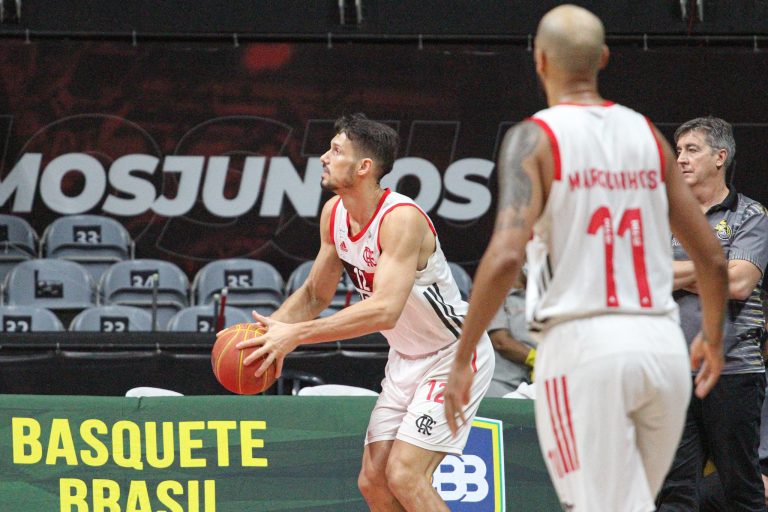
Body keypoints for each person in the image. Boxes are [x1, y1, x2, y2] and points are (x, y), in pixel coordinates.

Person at [442, 4, 729, 511]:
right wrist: (710, 336)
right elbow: (712, 259)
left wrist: (463, 357)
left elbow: (506, 257)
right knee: (633, 504)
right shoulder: (647, 135)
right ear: (603, 58)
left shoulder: (534, 138)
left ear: (539, 60)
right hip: (661, 347)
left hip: (583, 345)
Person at [229, 113, 494, 511]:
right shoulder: (334, 214)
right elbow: (314, 295)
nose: (323, 157)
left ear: (364, 166)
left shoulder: (400, 219)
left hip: (453, 355)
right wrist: (267, 337)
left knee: (405, 474)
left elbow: (385, 310)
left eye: (336, 151)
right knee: (374, 482)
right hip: (406, 359)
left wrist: (296, 335)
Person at [656, 117, 768, 511]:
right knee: (674, 492)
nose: (680, 159)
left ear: (720, 157)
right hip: (671, 369)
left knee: (741, 488)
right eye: (678, 150)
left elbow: (738, 284)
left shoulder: (750, 214)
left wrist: (674, 272)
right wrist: (713, 266)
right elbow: (643, 276)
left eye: (692, 150)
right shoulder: (663, 214)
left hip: (733, 370)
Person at [486, 268, 537, 397]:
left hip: (532, 384)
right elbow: (500, 341)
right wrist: (535, 358)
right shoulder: (494, 292)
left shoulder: (539, 298)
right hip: (500, 383)